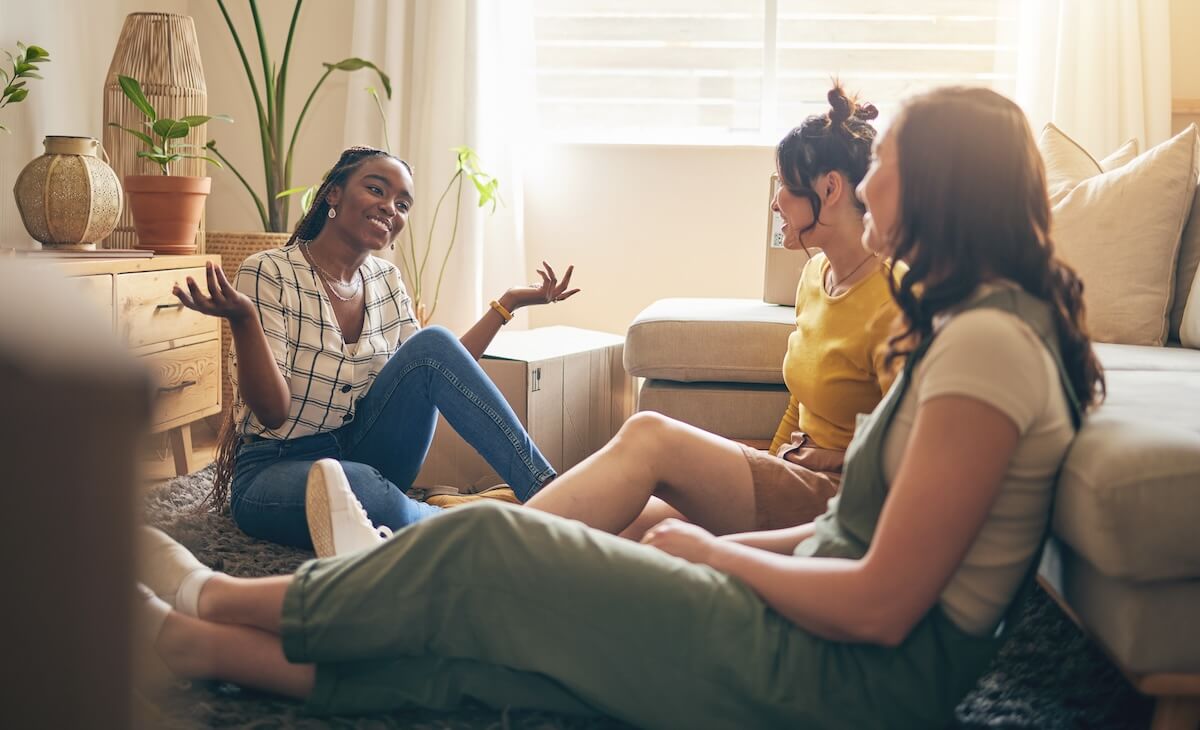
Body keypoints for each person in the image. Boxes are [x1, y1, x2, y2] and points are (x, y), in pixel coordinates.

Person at [138, 87, 1105, 729]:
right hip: (829, 650)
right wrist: (693, 547)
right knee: (508, 665)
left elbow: (885, 600)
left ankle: (215, 594)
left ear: (938, 184)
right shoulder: (984, 327)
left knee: (492, 553)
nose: (866, 179)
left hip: (841, 681)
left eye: (885, 159)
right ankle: (200, 642)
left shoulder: (985, 347)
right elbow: (852, 544)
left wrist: (708, 552)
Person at [172, 146, 579, 551]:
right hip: (276, 468)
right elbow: (273, 413)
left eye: (402, 204)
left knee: (433, 342)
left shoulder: (386, 278)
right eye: (376, 190)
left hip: (367, 448)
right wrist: (243, 320)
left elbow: (441, 365)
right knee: (359, 487)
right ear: (333, 194)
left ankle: (548, 495)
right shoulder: (269, 272)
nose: (390, 208)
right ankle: (479, 521)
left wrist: (507, 303)